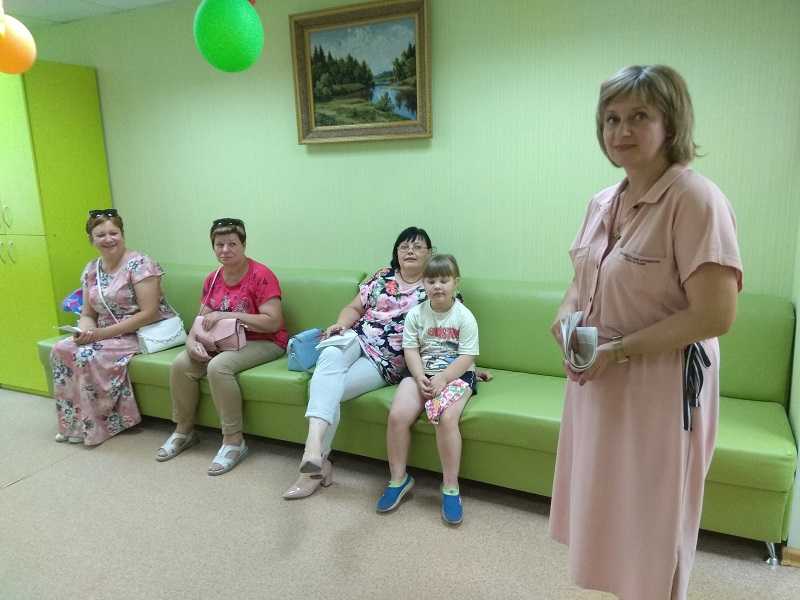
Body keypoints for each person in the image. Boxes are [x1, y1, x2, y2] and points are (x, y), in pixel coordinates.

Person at [548, 65, 742, 600]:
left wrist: (619, 350)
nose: (621, 130)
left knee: (655, 519)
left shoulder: (695, 200)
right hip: (598, 378)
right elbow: (581, 280)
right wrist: (566, 319)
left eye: (639, 116)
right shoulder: (601, 202)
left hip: (661, 382)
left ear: (671, 124)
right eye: (611, 119)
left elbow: (715, 315)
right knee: (610, 507)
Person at [282, 227, 433, 499]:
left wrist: (461, 366)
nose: (410, 251)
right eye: (404, 246)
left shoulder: (434, 285)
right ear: (396, 253)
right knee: (330, 353)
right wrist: (341, 324)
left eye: (417, 247)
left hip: (386, 360)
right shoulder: (381, 276)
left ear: (429, 254)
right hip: (355, 337)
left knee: (329, 388)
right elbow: (354, 308)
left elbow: (447, 330)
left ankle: (317, 463)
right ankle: (312, 451)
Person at [156, 218, 287, 475]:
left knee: (218, 367)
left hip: (264, 340)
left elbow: (273, 322)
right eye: (219, 245)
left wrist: (228, 315)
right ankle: (184, 431)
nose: (225, 250)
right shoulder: (213, 278)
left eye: (232, 244)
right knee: (181, 363)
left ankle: (234, 442)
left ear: (243, 245)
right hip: (222, 340)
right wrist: (191, 342)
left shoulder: (261, 275)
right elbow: (201, 320)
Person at [51, 209, 175, 446]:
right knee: (61, 349)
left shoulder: (140, 264)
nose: (108, 239)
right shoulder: (91, 269)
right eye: (101, 235)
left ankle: (100, 424)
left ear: (122, 234)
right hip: (104, 333)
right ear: (91, 239)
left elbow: (150, 313)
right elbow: (88, 314)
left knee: (87, 354)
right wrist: (85, 331)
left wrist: (100, 335)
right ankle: (73, 423)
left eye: (113, 233)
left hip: (139, 332)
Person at [376, 254, 479, 525]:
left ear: (456, 282)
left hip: (456, 376)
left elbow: (467, 356)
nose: (438, 286)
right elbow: (410, 349)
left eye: (444, 280)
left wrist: (444, 378)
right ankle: (398, 479)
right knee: (397, 415)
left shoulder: (464, 316)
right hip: (421, 374)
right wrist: (420, 375)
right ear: (424, 284)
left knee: (446, 418)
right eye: (431, 281)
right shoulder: (416, 314)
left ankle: (451, 487)